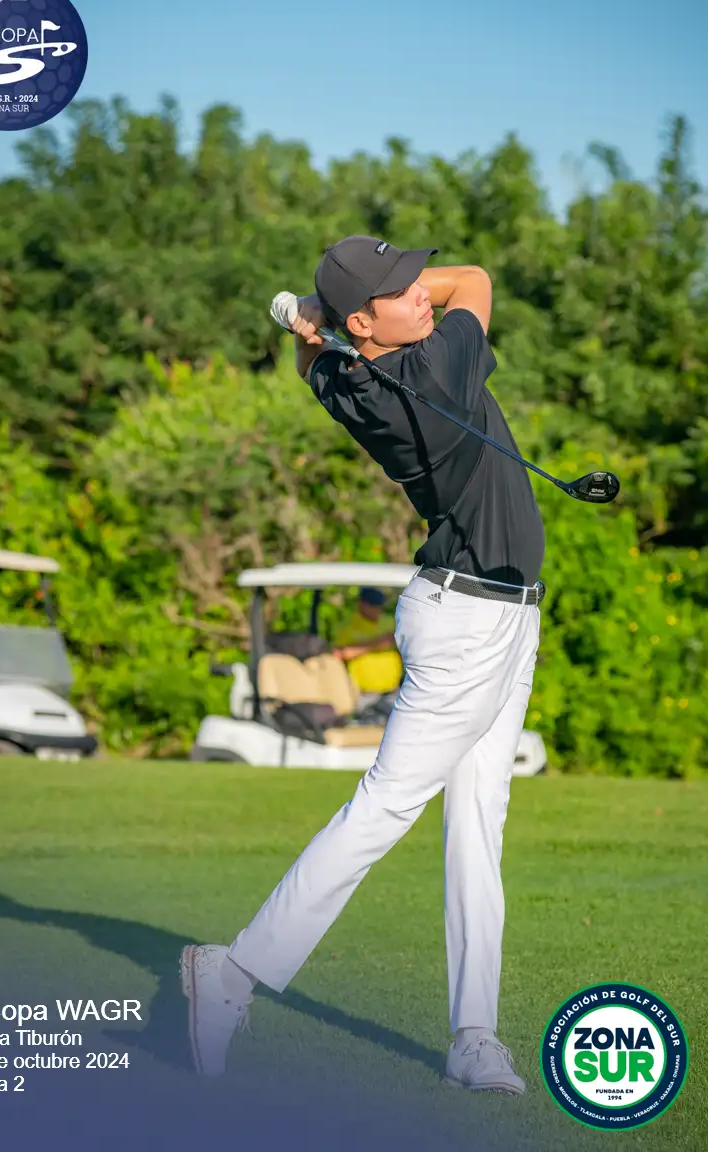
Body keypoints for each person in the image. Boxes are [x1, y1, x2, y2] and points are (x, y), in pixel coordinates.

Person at [181, 236, 545, 1095]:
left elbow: (316, 359)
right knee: (385, 807)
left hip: (501, 615)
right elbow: (474, 280)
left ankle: (474, 1035)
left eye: (413, 278)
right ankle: (232, 973)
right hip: (468, 621)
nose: (420, 292)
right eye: (399, 288)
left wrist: (325, 328)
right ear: (363, 323)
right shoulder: (434, 367)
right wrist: (323, 320)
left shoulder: (349, 381)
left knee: (479, 822)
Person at [333, 586, 403, 696]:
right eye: (372, 605)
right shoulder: (348, 626)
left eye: (379, 605)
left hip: (392, 690)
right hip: (363, 693)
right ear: (360, 603)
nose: (377, 609)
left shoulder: (389, 622)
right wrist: (375, 644)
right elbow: (339, 653)